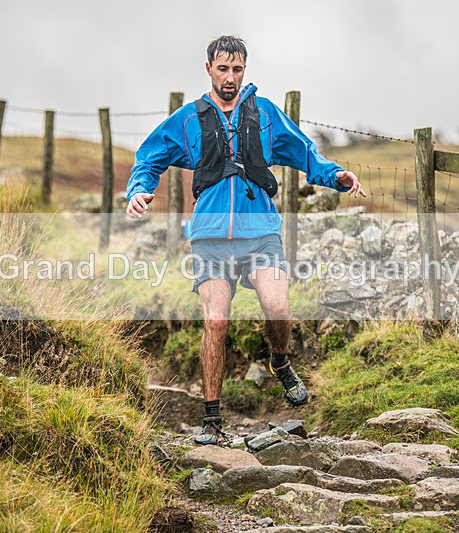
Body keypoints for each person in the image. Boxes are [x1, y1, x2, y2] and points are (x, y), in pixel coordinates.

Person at [126, 35, 365, 445]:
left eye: (237, 70)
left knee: (277, 306)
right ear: (208, 69)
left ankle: (280, 361)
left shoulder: (266, 114)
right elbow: (149, 158)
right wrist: (139, 190)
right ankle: (212, 420)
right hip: (211, 239)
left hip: (260, 234)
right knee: (216, 321)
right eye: (223, 69)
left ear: (245, 70)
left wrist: (335, 175)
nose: (230, 78)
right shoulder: (187, 120)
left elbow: (305, 152)